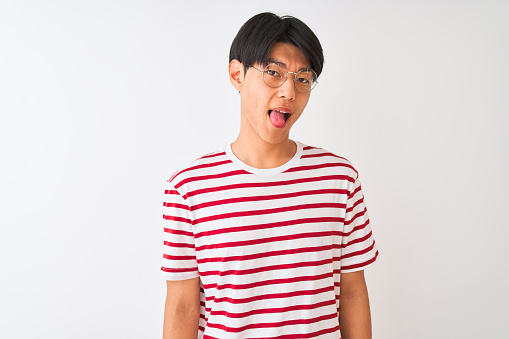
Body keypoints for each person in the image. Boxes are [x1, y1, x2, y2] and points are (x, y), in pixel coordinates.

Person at [161, 12, 378, 339]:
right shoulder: (188, 187)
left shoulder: (339, 179)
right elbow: (182, 307)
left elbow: (352, 293)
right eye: (274, 73)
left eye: (303, 79)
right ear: (237, 74)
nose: (289, 92)